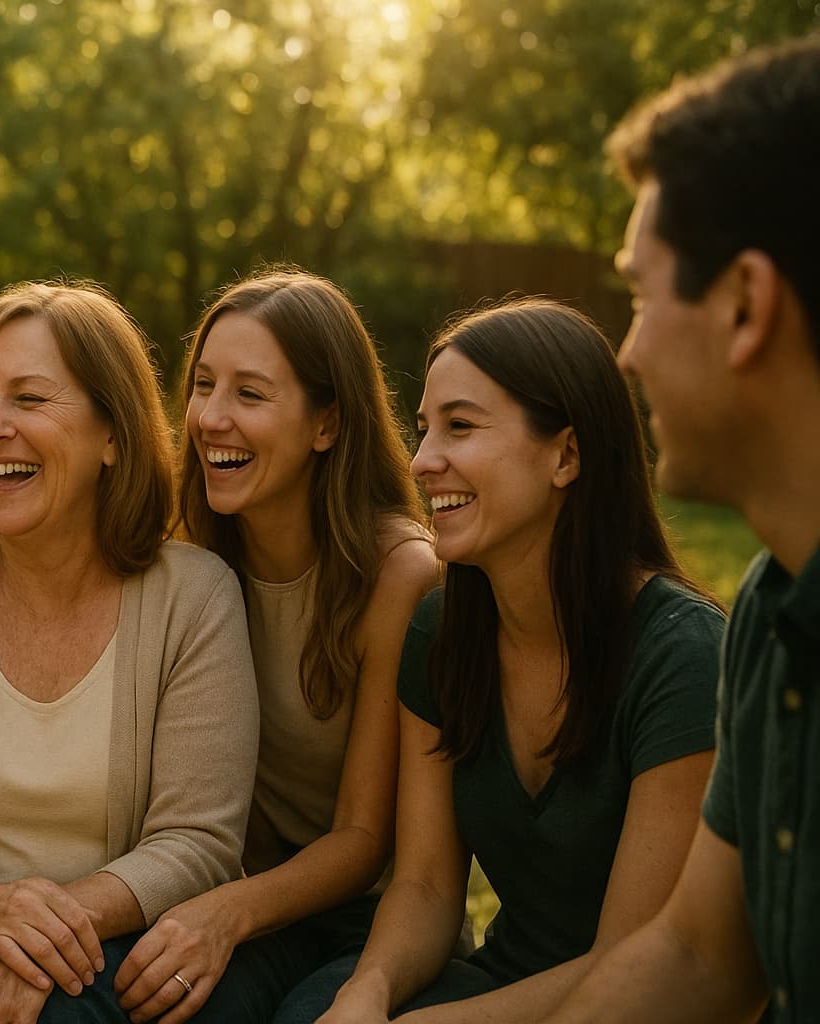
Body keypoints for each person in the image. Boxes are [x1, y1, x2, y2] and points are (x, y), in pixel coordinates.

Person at [302, 299, 725, 1024]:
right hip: (502, 984)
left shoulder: (682, 657)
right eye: (425, 427)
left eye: (460, 427)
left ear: (567, 454)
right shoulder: (440, 631)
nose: (422, 459)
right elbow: (430, 887)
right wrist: (366, 994)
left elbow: (631, 965)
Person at [0, 280, 260, 1024]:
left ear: (113, 435)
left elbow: (198, 841)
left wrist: (42, 933)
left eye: (29, 400)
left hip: (137, 940)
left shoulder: (194, 596)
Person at [542, 36, 820, 1024]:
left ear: (744, 303)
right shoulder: (772, 611)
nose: (628, 349)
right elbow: (702, 953)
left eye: (640, 294)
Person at [104, 269, 437, 1024]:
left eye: (250, 395)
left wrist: (226, 916)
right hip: (227, 895)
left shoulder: (401, 575)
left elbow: (363, 837)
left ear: (326, 424)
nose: (212, 418)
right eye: (204, 385)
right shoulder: (188, 550)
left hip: (365, 925)